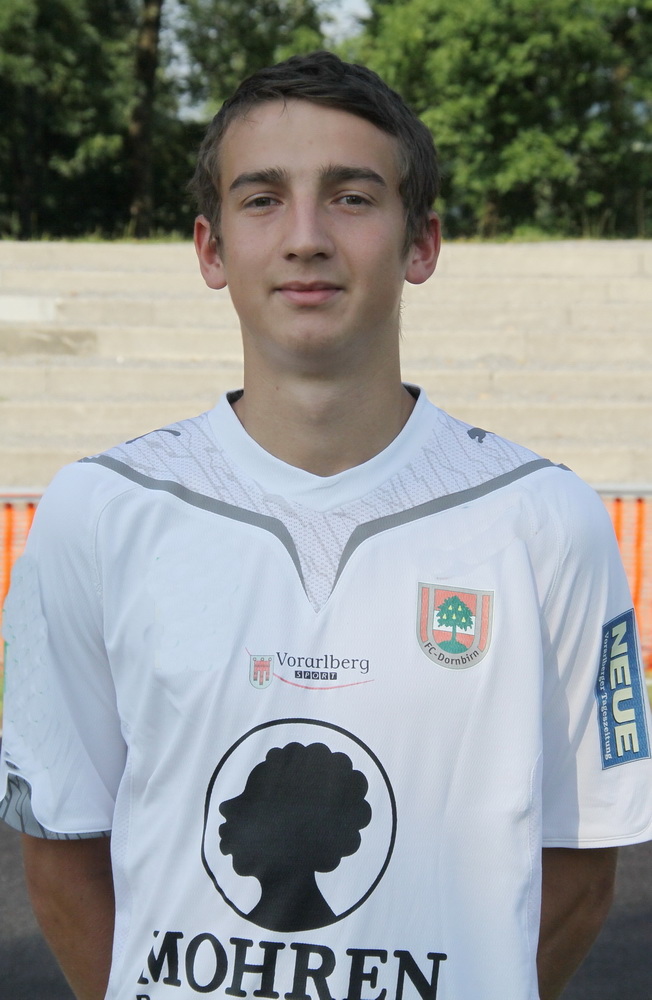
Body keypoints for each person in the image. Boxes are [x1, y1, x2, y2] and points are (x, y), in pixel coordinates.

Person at [1, 50, 652, 1000]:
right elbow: (62, 857)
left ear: (421, 244)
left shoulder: (545, 520)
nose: (305, 237)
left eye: (351, 198)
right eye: (263, 200)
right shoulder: (96, 514)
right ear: (211, 250)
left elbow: (579, 873)